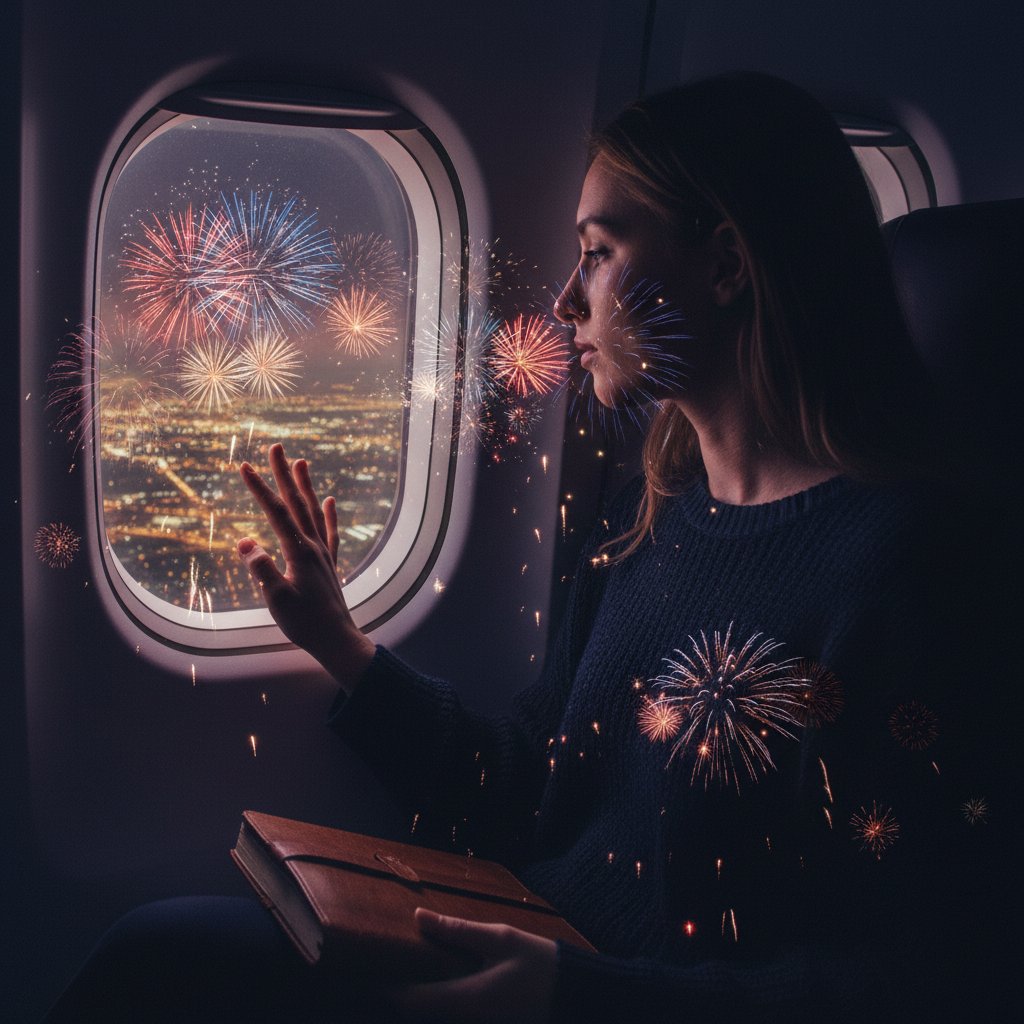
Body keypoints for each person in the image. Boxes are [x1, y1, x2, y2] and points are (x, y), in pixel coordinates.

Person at [45, 72, 1003, 1023]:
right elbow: (529, 797)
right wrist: (342, 642)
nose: (562, 304)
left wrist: (578, 999)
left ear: (724, 266)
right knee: (162, 947)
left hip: (585, 1000)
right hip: (537, 964)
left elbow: (917, 980)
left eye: (598, 252)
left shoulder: (907, 573)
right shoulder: (650, 521)